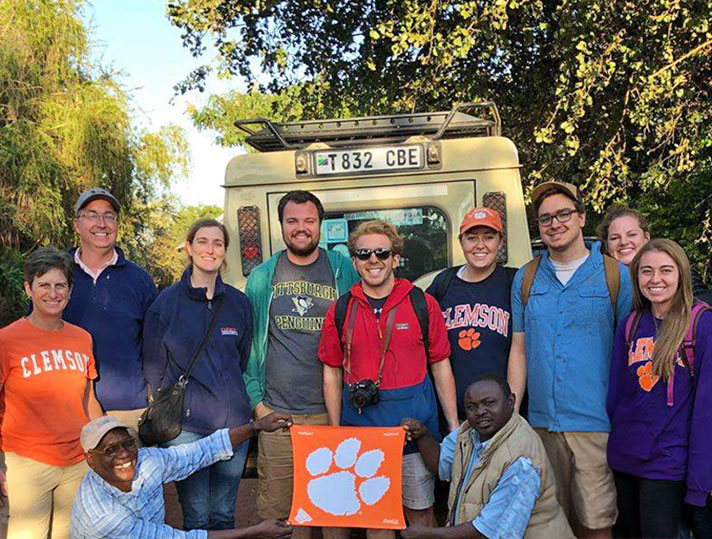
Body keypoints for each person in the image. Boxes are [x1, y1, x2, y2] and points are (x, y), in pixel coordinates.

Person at [507, 181, 633, 538]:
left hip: (596, 425)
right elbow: (519, 349)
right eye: (545, 218)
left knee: (597, 523)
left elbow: (630, 353)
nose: (554, 223)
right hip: (542, 425)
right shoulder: (527, 278)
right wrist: (514, 417)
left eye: (563, 214)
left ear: (580, 218)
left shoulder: (615, 276)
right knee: (550, 524)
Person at [319, 219, 459, 536]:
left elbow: (440, 364)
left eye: (382, 253)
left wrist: (452, 427)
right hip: (363, 438)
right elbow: (331, 369)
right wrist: (335, 429)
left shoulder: (423, 304)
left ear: (396, 258)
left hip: (414, 439)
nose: (373, 260)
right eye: (364, 253)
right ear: (353, 260)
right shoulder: (341, 309)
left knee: (421, 517)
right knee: (375, 521)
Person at [243, 190, 359, 533]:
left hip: (330, 414)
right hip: (279, 416)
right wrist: (258, 406)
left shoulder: (341, 269)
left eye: (309, 220)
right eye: (292, 221)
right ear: (281, 225)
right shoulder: (263, 276)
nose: (301, 228)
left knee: (333, 514)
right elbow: (249, 348)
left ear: (321, 225)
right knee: (283, 519)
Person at [143, 218, 253, 531]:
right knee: (196, 517)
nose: (210, 249)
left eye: (217, 243)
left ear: (224, 252)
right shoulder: (166, 303)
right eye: (202, 241)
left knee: (223, 515)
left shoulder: (239, 304)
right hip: (185, 430)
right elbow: (153, 365)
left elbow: (242, 359)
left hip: (233, 427)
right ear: (189, 248)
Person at [607, 239, 712, 538]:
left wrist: (699, 485)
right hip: (626, 461)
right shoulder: (631, 323)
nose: (655, 279)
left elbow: (707, 410)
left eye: (666, 270)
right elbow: (617, 396)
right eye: (646, 271)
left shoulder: (700, 324)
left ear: (681, 274)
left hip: (668, 465)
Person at [0, 246, 103, 539]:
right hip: (26, 463)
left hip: (76, 461)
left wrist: (102, 442)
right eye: (44, 285)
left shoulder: (82, 339)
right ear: (28, 289)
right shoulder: (6, 340)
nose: (53, 293)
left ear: (70, 291)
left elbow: (88, 398)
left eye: (60, 285)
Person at [400, 376, 574, 539]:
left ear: (511, 402)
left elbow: (488, 530)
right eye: (471, 407)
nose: (480, 412)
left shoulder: (520, 456)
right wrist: (422, 435)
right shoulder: (469, 431)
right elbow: (440, 464)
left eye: (489, 403)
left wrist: (429, 534)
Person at [70, 413, 295, 539]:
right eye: (110, 450)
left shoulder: (148, 462)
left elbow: (200, 451)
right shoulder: (102, 517)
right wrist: (255, 531)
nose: (123, 454)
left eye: (128, 443)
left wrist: (256, 426)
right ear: (90, 459)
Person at [63, 187, 157, 430]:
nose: (101, 223)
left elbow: (156, 344)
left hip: (128, 409)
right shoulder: (57, 275)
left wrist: (152, 393)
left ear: (117, 224)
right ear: (77, 225)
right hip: (67, 408)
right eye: (92, 215)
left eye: (109, 216)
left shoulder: (139, 280)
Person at [426, 207, 517, 419]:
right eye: (471, 238)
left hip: (500, 415)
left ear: (500, 242)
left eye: (489, 237)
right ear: (461, 242)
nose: (480, 245)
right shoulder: (443, 283)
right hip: (455, 414)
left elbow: (521, 351)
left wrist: (513, 413)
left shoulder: (513, 282)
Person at [598, 204, 709, 298]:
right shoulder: (599, 278)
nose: (623, 242)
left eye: (631, 235)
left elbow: (702, 299)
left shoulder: (671, 264)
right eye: (615, 238)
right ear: (607, 244)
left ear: (646, 237)